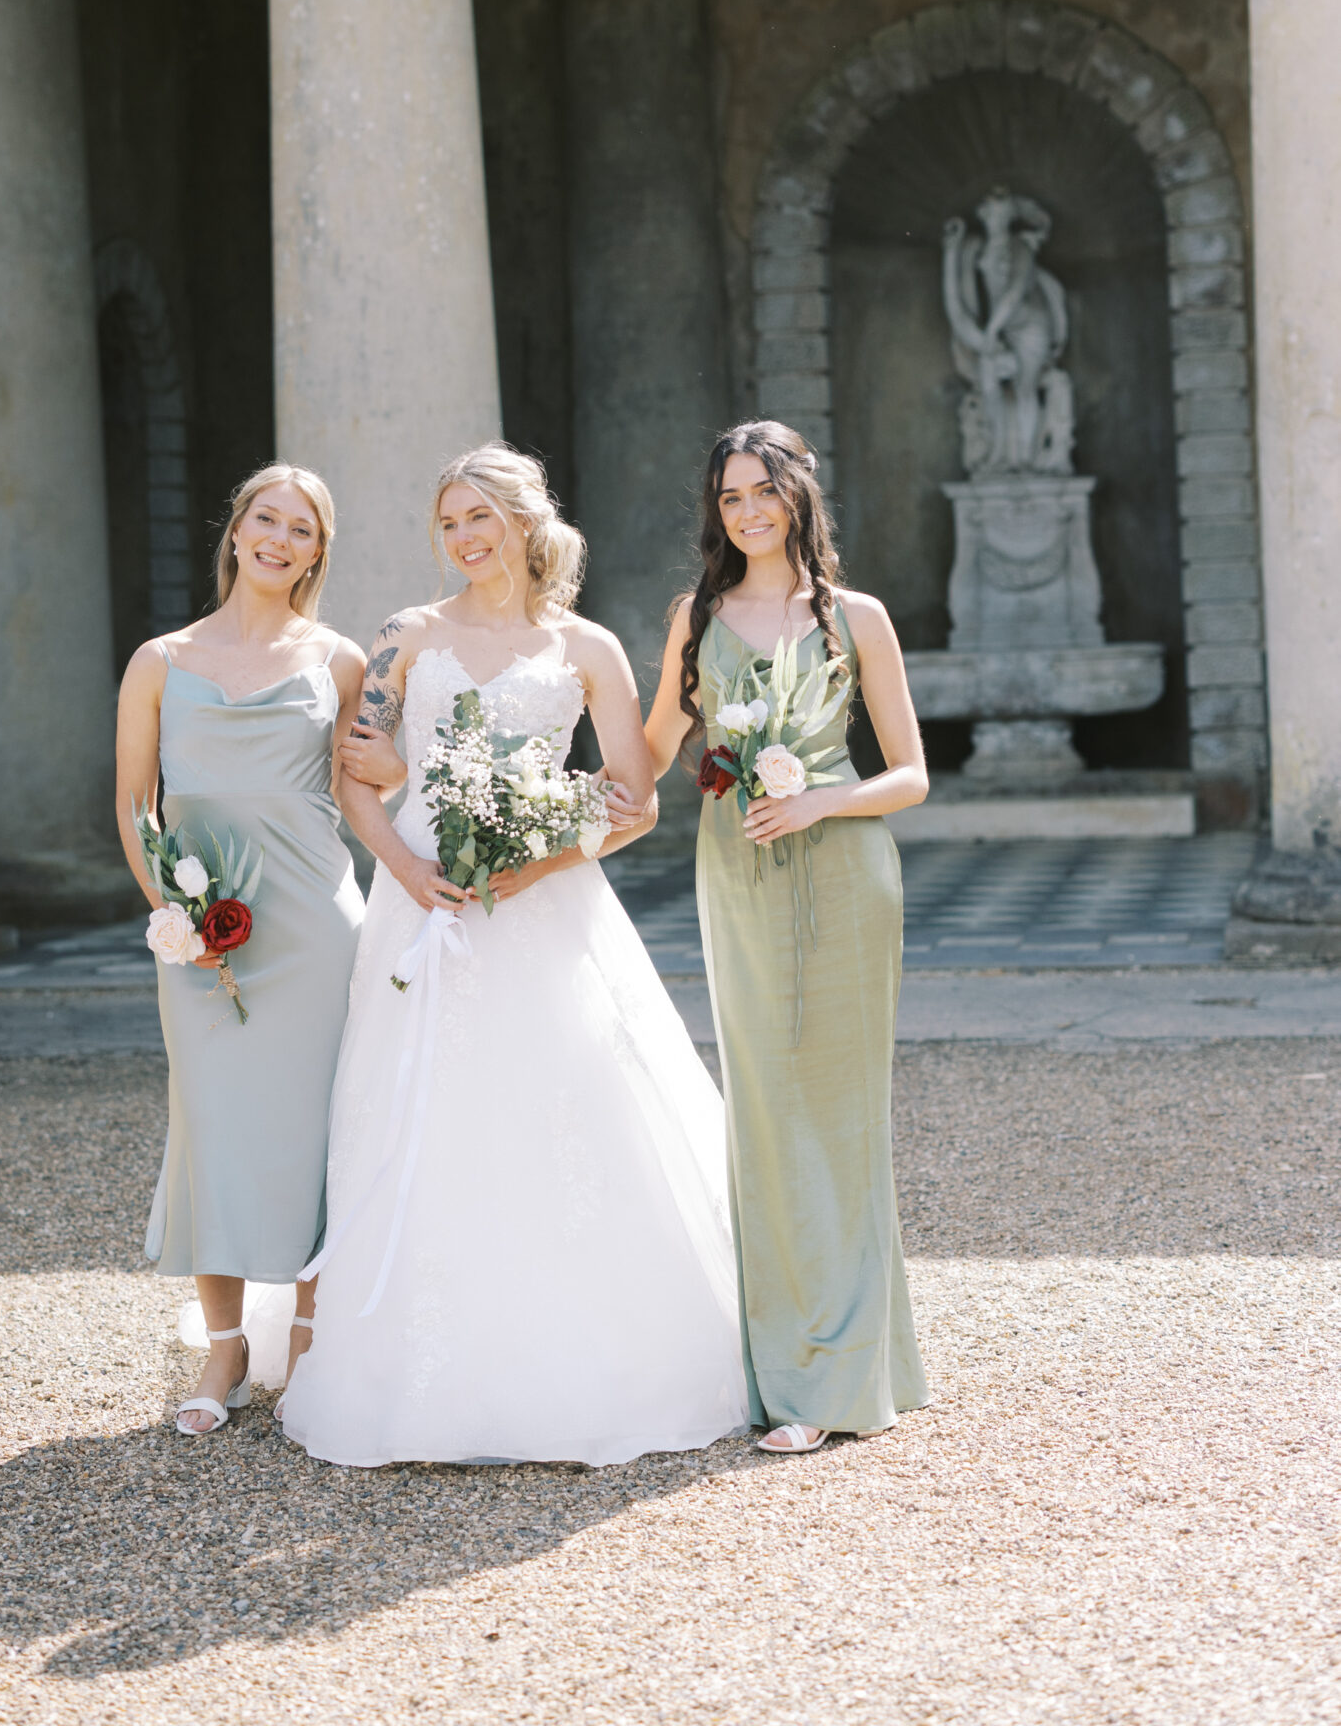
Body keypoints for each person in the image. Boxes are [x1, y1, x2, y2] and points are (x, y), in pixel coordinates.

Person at [279, 443, 748, 1469]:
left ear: (526, 522)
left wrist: (530, 867)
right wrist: (405, 869)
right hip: (425, 904)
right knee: (417, 1118)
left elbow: (633, 802)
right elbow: (356, 776)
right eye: (448, 522)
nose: (462, 538)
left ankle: (582, 1366)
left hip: (545, 906)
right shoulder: (408, 634)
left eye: (478, 517)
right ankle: (415, 1378)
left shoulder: (586, 647)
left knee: (562, 1111)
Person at [644, 420, 931, 1457]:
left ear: (801, 495)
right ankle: (787, 1369)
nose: (748, 509)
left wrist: (821, 804)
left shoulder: (856, 618)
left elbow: (911, 775)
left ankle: (847, 1371)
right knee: (765, 1115)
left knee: (844, 1118)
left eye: (764, 490)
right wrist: (529, 809)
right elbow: (643, 758)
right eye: (730, 496)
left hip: (846, 872)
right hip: (738, 876)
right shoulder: (697, 617)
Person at [114, 462, 366, 1438]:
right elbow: (137, 808)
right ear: (236, 529)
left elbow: (366, 793)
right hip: (200, 933)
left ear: (316, 552)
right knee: (212, 1124)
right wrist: (173, 913)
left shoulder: (339, 660)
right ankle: (225, 1344)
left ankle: (307, 1331)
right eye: (267, 517)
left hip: (313, 926)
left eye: (302, 529)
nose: (280, 538)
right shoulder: (158, 661)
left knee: (318, 1129)